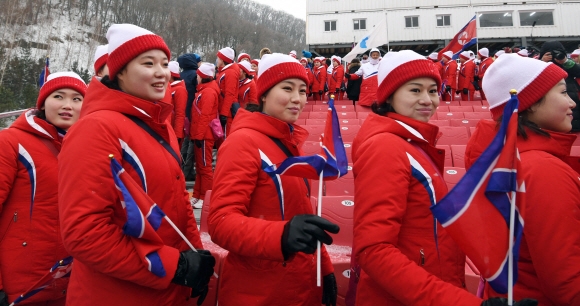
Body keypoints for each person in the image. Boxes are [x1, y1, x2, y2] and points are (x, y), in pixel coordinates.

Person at [58, 23, 215, 305]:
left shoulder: (158, 123)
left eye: (165, 63)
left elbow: (178, 201)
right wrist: (173, 266)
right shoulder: (95, 129)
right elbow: (84, 233)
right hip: (118, 294)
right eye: (148, 63)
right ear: (119, 71)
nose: (161, 72)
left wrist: (194, 257)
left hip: (167, 290)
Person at [352, 50, 507, 305]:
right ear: (389, 95)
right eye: (415, 90)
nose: (428, 100)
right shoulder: (386, 147)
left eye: (433, 90)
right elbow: (374, 249)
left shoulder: (412, 143)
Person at [208, 53, 339, 306]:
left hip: (299, 285)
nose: (297, 99)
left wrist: (325, 268)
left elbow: (301, 215)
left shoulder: (289, 144)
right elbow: (221, 223)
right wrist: (280, 236)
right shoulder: (243, 142)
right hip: (258, 291)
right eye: (287, 88)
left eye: (302, 90)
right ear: (264, 94)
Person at [466, 53, 580, 306]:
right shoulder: (542, 170)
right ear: (530, 104)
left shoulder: (513, 161)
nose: (572, 102)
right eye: (562, 93)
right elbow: (568, 281)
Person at [0, 72, 86, 306]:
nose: (67, 105)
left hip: (70, 281)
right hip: (19, 283)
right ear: (43, 102)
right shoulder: (10, 142)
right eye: (59, 96)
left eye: (77, 99)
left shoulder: (89, 150)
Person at [189, 63, 220, 210]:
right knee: (201, 167)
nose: (197, 77)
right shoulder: (205, 90)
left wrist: (199, 136)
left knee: (205, 167)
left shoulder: (208, 92)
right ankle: (197, 195)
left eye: (198, 75)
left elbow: (205, 116)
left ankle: (206, 196)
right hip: (200, 134)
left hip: (204, 135)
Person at [540, 40, 580, 131]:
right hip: (548, 117)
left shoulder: (567, 66)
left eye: (557, 53)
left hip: (574, 117)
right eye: (550, 54)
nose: (554, 56)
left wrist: (565, 61)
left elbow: (578, 71)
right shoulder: (538, 67)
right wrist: (542, 61)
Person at [177, 53, 201, 181]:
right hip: (193, 111)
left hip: (184, 110)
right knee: (192, 141)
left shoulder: (181, 76)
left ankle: (183, 167)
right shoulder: (195, 75)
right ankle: (188, 170)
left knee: (185, 140)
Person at [216, 47, 240, 139]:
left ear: (222, 59)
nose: (217, 60)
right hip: (224, 110)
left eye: (218, 58)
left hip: (227, 112)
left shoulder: (230, 72)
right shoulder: (225, 71)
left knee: (225, 139)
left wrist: (224, 114)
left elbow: (230, 94)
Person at [168, 61, 187, 146]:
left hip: (173, 130)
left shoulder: (180, 90)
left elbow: (180, 113)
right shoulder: (169, 87)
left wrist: (177, 134)